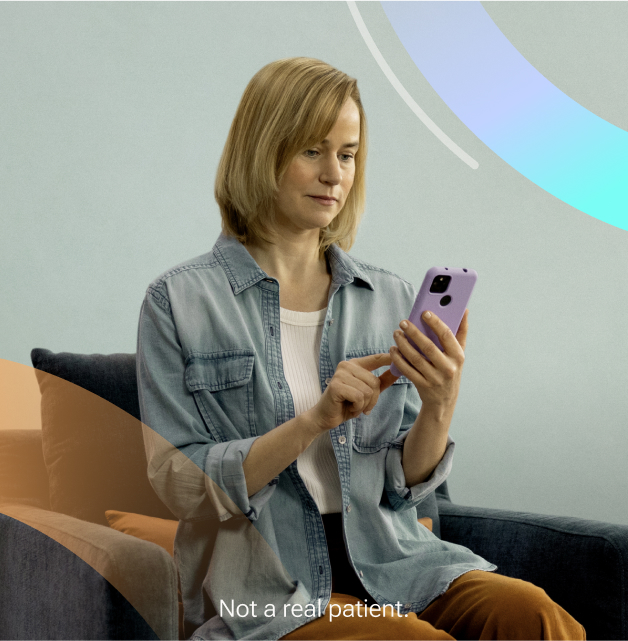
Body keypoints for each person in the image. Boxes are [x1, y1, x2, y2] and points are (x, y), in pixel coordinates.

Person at [137, 57, 585, 640]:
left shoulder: (388, 296)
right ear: (262, 151)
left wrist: (440, 402)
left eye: (347, 155)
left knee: (535, 616)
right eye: (312, 151)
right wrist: (314, 421)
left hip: (395, 562)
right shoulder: (178, 302)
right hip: (269, 590)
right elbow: (182, 485)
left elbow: (403, 484)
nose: (335, 176)